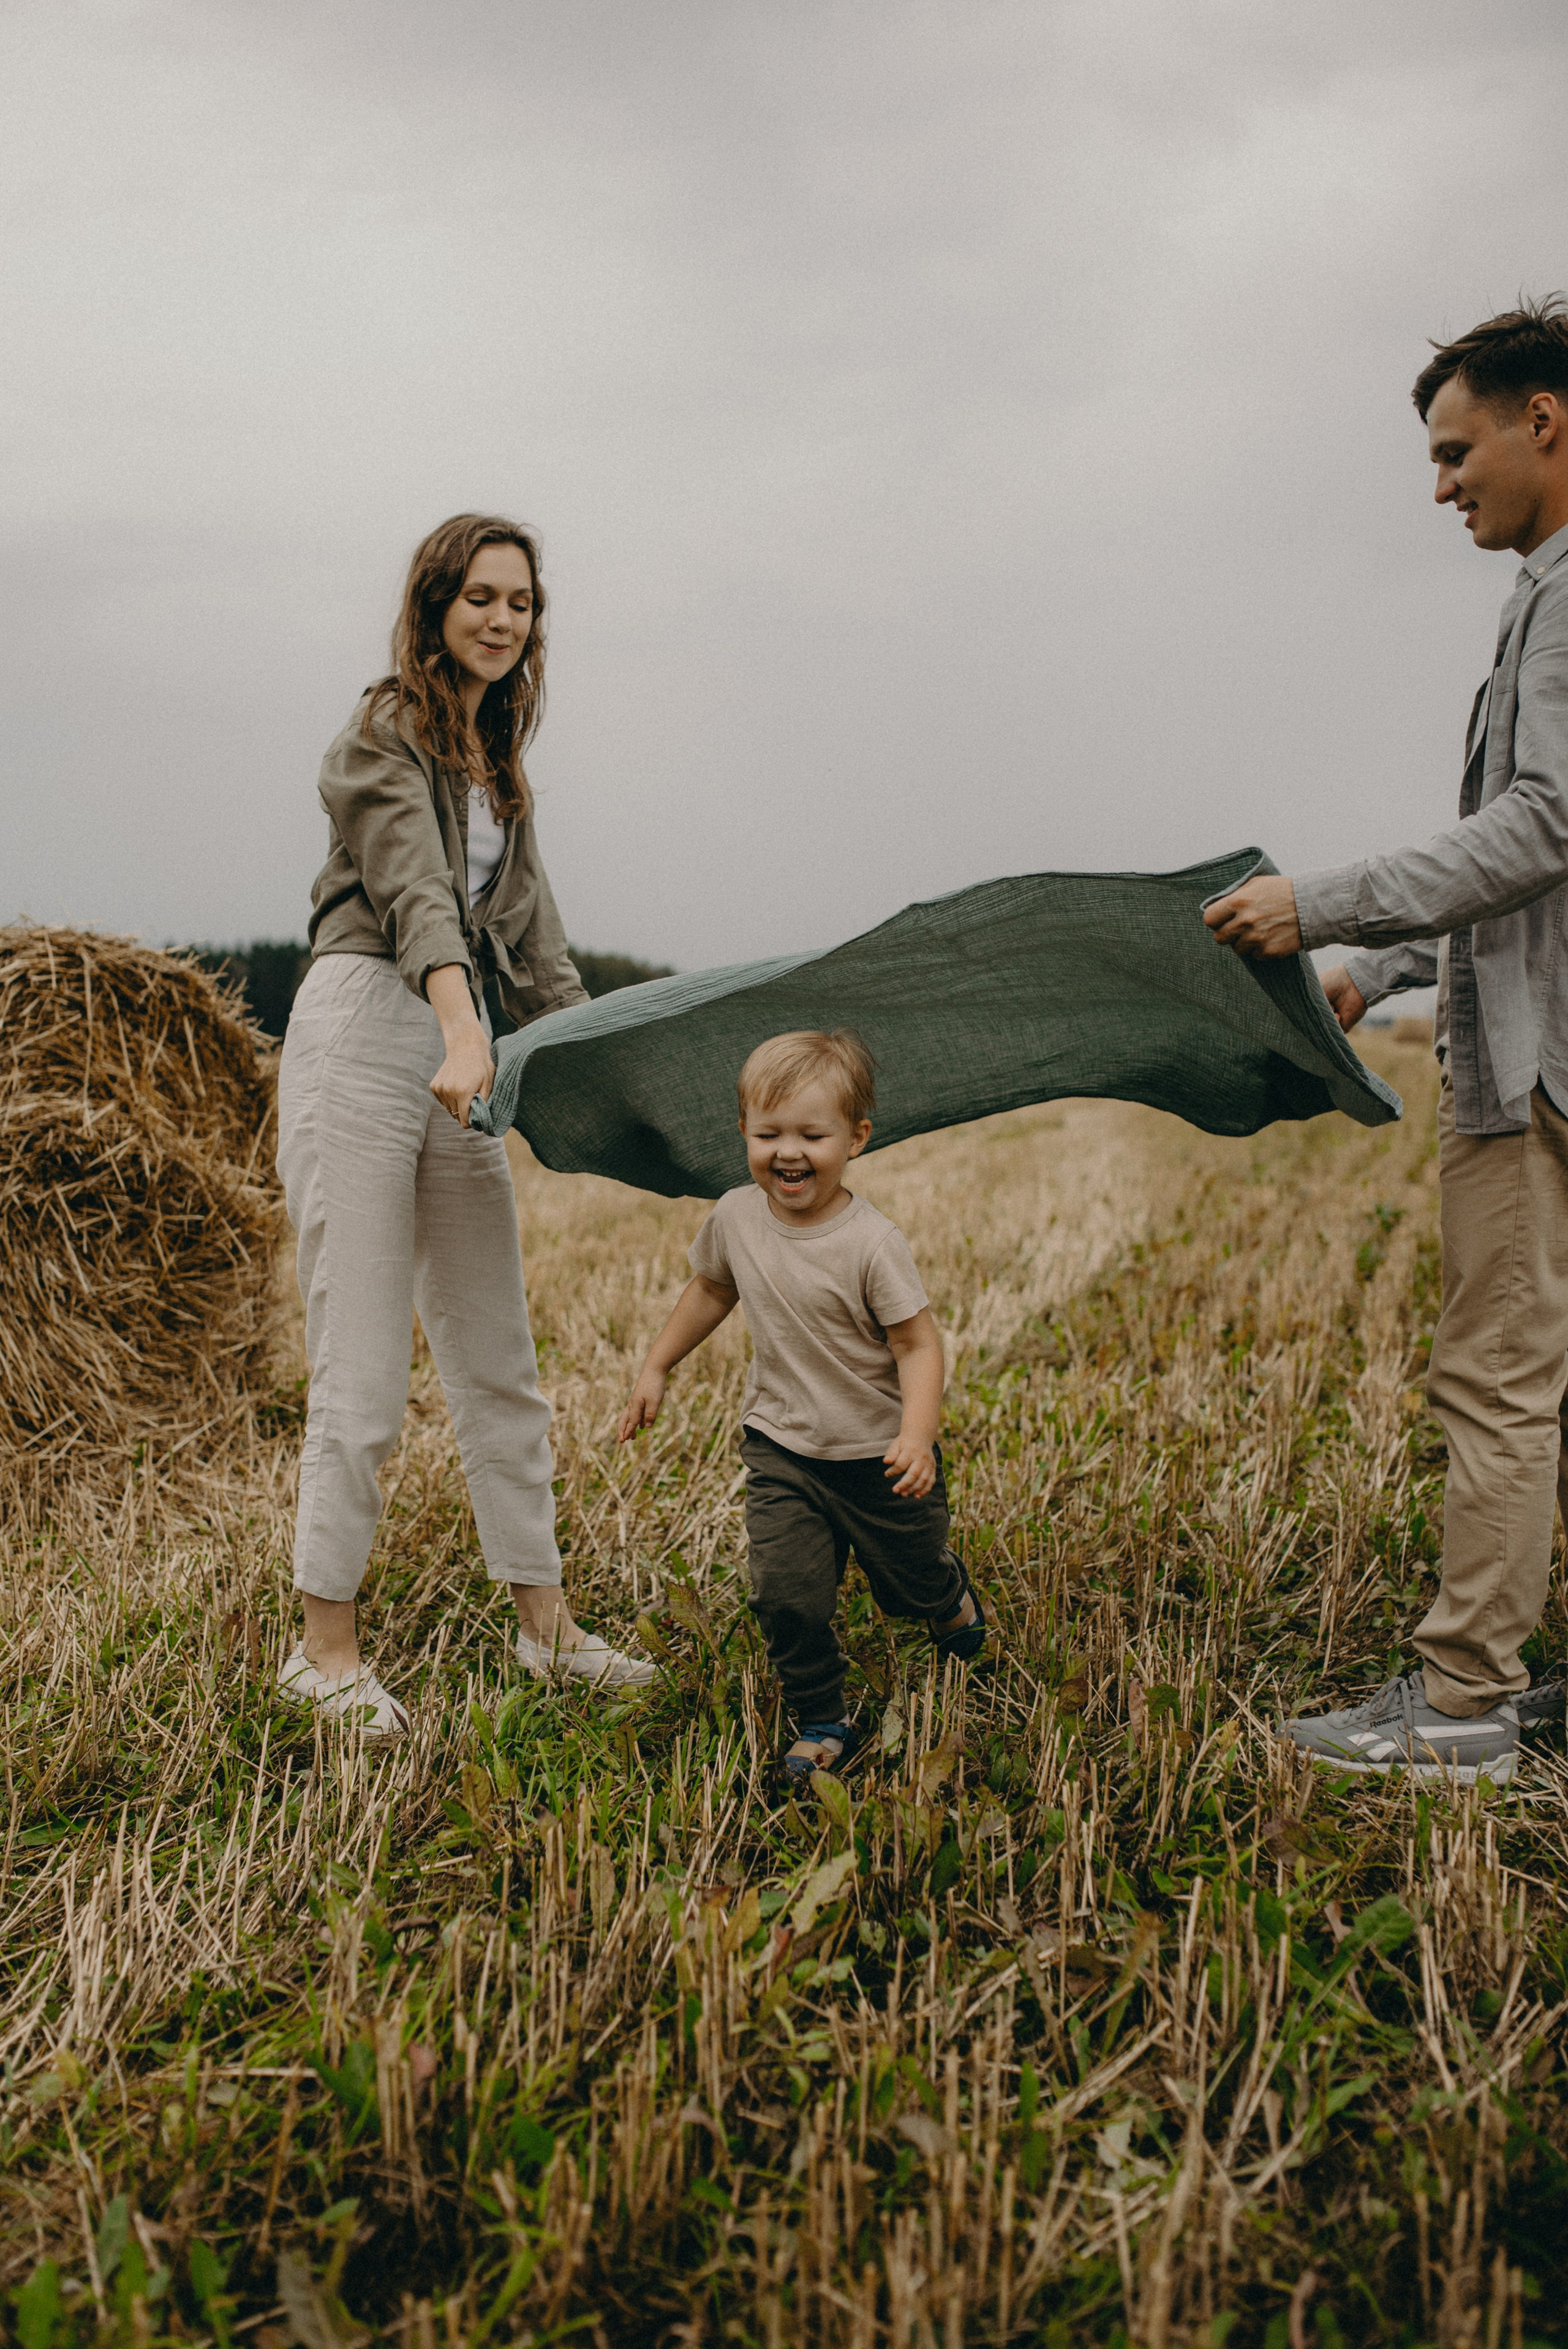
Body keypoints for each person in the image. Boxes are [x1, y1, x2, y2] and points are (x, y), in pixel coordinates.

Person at [1204, 301, 1568, 1784]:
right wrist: (1378, 964)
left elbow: (1540, 824)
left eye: (1451, 447)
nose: (1437, 488)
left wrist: (1321, 902)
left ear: (1542, 418)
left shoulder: (1559, 597)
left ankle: (1465, 1699)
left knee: (1494, 1377)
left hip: (1529, 1070)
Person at [276, 513, 652, 1736]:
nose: (503, 619)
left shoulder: (502, 766)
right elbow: (415, 893)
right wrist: (463, 1028)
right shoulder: (383, 729)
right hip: (369, 1034)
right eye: (481, 596)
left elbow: (535, 951)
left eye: (522, 602)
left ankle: (543, 1628)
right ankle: (321, 1650)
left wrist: (625, 1077)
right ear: (436, 604)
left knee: (499, 1352)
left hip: (460, 1044)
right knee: (366, 1366)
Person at [617, 1028, 986, 1787]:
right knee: (783, 1594)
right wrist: (657, 1364)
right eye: (769, 1133)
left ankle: (945, 1592)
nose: (789, 1151)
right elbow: (712, 1289)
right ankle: (821, 1716)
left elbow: (918, 1345)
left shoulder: (871, 1243)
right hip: (781, 1446)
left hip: (878, 1455)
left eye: (812, 1134)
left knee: (908, 1586)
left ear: (855, 1138)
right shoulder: (734, 1217)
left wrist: (917, 1436)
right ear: (743, 1133)